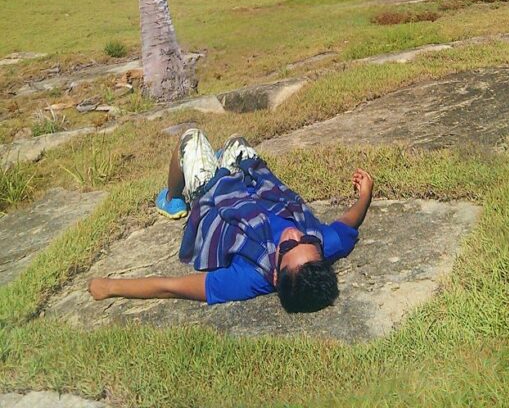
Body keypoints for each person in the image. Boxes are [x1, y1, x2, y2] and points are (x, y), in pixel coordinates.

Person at [89, 129, 374, 313]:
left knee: (191, 138)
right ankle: (222, 166)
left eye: (287, 248)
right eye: (306, 240)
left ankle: (174, 197)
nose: (293, 234)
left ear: (276, 277)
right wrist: (365, 195)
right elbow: (348, 223)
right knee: (237, 142)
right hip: (255, 185)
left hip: (215, 199)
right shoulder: (323, 246)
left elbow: (172, 286)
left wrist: (111, 287)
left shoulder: (246, 279)